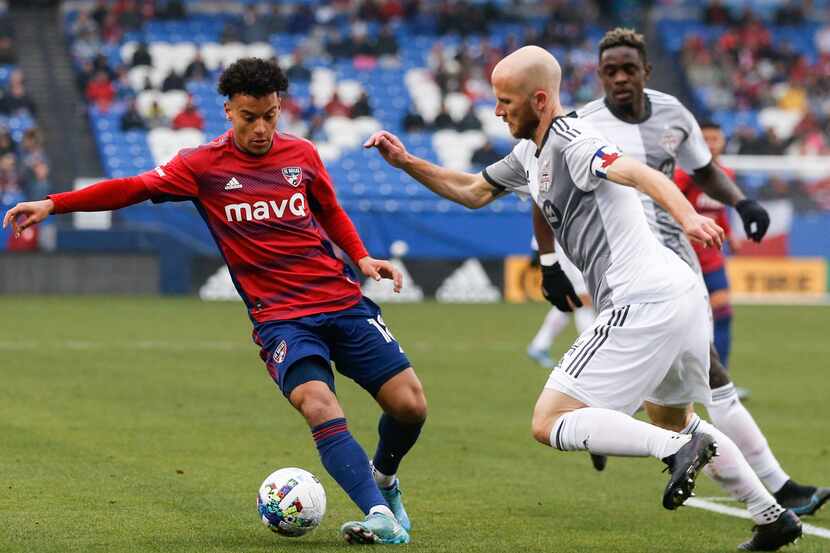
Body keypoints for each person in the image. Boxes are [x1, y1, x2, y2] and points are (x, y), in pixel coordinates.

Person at [364, 46, 802, 551]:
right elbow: (471, 190)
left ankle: (679, 450)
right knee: (674, 415)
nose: (498, 110)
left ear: (541, 99)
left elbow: (643, 174)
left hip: (643, 300)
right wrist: (406, 162)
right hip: (676, 296)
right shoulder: (531, 152)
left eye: (506, 100)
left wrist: (686, 216)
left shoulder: (574, 142)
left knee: (549, 420)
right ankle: (770, 515)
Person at [4, 58, 422, 546]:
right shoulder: (201, 166)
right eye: (250, 117)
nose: (262, 127)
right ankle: (377, 514)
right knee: (318, 403)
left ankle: (385, 481)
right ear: (228, 111)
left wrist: (362, 257)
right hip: (282, 319)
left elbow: (329, 209)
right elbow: (132, 188)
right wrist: (55, 203)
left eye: (270, 115)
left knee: (410, 406)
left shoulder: (303, 154)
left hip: (340, 299)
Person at [578, 27, 828, 519]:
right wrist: (551, 264)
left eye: (630, 69)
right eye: (611, 71)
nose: (621, 78)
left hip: (677, 265)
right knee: (677, 402)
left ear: (646, 71)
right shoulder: (584, 126)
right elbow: (548, 191)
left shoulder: (674, 113)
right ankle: (600, 422)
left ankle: (777, 491)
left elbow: (705, 167)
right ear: (600, 76)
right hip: (624, 272)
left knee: (707, 382)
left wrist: (742, 201)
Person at [674, 121, 735, 368]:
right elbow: (666, 205)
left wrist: (731, 236)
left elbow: (719, 213)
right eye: (705, 139)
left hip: (712, 258)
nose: (710, 144)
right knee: (682, 321)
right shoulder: (685, 174)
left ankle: (721, 379)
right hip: (683, 257)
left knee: (722, 314)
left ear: (723, 143)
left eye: (715, 139)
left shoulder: (727, 175)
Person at [526, 237, 595, 370]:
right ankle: (591, 350)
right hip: (567, 248)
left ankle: (539, 345)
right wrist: (536, 248)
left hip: (572, 246)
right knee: (583, 298)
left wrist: (535, 249)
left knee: (569, 302)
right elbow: (545, 218)